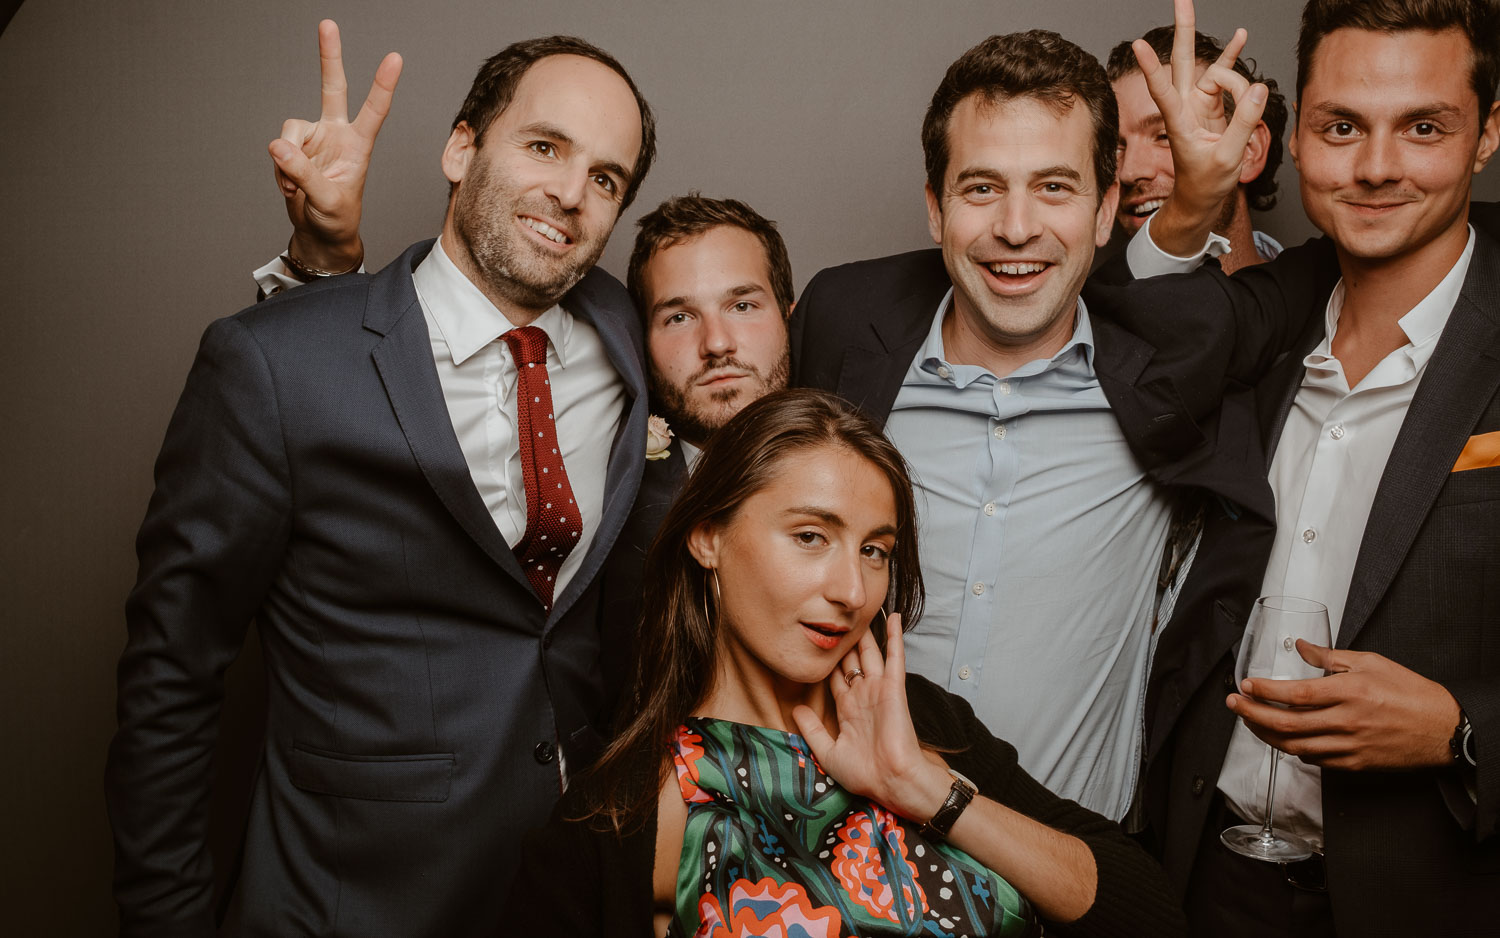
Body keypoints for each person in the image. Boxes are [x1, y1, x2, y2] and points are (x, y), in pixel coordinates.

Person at [104, 26, 658, 936]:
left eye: (606, 178)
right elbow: (170, 678)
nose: (570, 193)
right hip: (349, 900)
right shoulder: (272, 366)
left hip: (566, 890)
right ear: (461, 146)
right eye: (546, 146)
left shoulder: (623, 331)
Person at [790, 26, 1289, 821]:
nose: (1017, 228)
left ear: (1106, 212)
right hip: (837, 861)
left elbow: (1281, 300)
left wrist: (1195, 204)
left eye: (1055, 188)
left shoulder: (1170, 365)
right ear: (935, 208)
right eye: (982, 188)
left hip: (1071, 873)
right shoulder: (845, 327)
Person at [506, 388, 1185, 937]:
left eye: (875, 551)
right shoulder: (623, 818)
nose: (852, 592)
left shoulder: (920, 718)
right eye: (810, 537)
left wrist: (924, 788)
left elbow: (1150, 915)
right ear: (708, 536)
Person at [1127, 0, 1500, 933]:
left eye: (1422, 127)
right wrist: (1192, 203)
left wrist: (1461, 732)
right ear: (1295, 146)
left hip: (1429, 895)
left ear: (1487, 133)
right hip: (1207, 874)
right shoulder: (1277, 311)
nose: (1375, 167)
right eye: (1342, 128)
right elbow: (1139, 373)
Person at [1105, 24, 1288, 271]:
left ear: (1249, 150)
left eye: (1165, 136)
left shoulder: (1320, 297)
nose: (1129, 171)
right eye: (1115, 148)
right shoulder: (1092, 306)